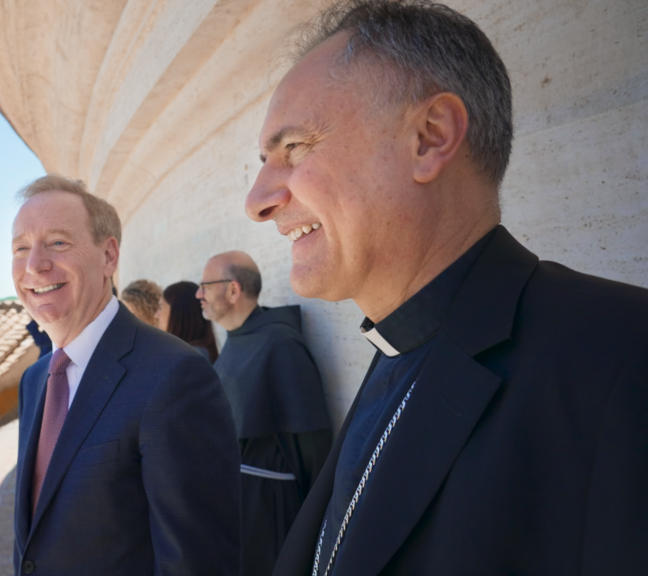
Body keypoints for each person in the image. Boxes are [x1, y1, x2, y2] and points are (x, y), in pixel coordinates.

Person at [245, 1, 648, 574]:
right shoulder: (395, 349)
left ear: (430, 139)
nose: (257, 201)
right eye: (264, 160)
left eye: (295, 149)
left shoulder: (623, 357)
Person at [11, 174, 240, 576]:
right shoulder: (34, 383)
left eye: (58, 242)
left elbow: (197, 563)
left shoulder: (175, 375)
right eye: (21, 248)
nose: (35, 265)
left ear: (109, 256)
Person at [197, 250, 332, 576]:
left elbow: (312, 442)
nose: (198, 294)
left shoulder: (279, 343)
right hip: (239, 503)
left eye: (205, 285)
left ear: (233, 290)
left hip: (269, 507)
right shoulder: (236, 339)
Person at [157, 280, 219, 361]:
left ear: (179, 314)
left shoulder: (191, 357)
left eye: (161, 307)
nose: (157, 315)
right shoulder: (189, 353)